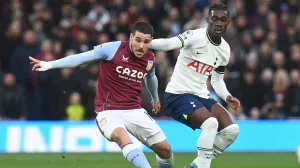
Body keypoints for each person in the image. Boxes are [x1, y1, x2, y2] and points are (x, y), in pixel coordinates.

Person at [29, 22, 174, 168]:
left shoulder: (149, 58)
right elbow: (80, 58)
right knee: (121, 136)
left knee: (165, 150)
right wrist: (50, 64)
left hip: (134, 109)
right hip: (108, 111)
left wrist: (154, 98)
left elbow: (151, 77)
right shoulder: (113, 48)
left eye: (146, 42)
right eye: (138, 40)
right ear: (131, 37)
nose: (141, 46)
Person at [150, 3, 240, 168]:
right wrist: (145, 43)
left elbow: (217, 80)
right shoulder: (195, 36)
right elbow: (170, 44)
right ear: (207, 20)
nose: (219, 23)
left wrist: (227, 96)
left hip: (201, 95)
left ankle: (197, 164)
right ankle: (202, 166)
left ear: (228, 23)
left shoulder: (224, 50)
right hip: (177, 95)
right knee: (210, 124)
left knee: (232, 131)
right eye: (214, 19)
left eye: (223, 19)